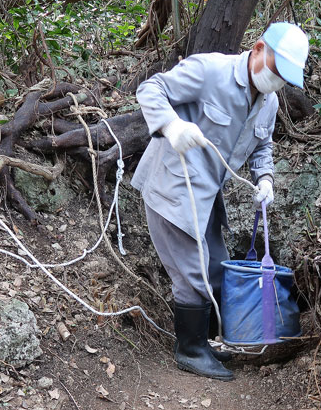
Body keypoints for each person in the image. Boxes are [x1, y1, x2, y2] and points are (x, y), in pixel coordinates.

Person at [132, 22, 309, 381]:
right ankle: (190, 350)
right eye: (275, 71)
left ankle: (207, 341)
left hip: (208, 196)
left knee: (217, 266)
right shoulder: (210, 70)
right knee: (192, 271)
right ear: (258, 49)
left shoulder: (269, 102)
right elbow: (151, 89)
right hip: (172, 187)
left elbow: (263, 146)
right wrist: (170, 126)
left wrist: (265, 178)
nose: (276, 82)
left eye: (285, 78)